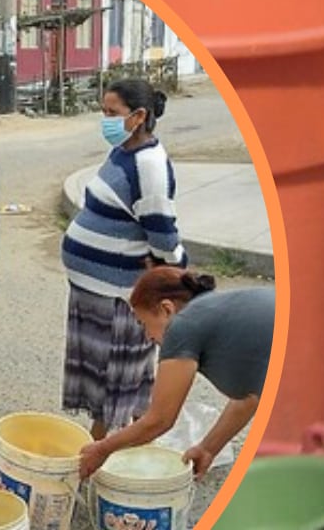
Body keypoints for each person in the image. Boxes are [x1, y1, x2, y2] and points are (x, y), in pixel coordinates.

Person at [60, 80, 187, 443]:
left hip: (118, 295)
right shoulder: (123, 151)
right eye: (103, 112)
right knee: (105, 377)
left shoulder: (150, 165)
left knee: (115, 378)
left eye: (112, 113)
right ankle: (122, 442)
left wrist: (175, 265)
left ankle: (105, 449)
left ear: (139, 116)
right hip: (94, 290)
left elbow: (162, 232)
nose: (105, 120)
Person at [75, 268, 275, 482]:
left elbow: (159, 420)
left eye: (144, 324)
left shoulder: (183, 327)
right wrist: (208, 449)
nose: (148, 337)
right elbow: (247, 399)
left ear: (166, 309)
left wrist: (102, 449)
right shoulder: (216, 311)